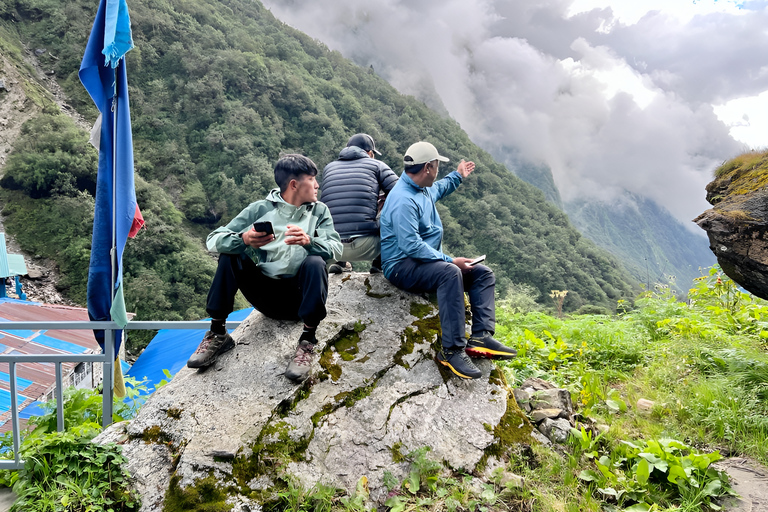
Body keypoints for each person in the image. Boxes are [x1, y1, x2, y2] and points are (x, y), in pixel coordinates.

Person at [187, 154, 342, 382]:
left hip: (300, 299)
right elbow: (213, 239)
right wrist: (245, 238)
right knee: (231, 256)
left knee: (315, 261)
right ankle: (218, 333)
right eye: (312, 179)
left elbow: (337, 248)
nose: (317, 185)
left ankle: (307, 341)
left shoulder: (319, 211)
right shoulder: (260, 209)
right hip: (266, 297)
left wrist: (310, 241)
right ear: (294, 184)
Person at [380, 141, 516, 380]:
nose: (438, 171)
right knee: (450, 272)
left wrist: (458, 175)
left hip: (423, 262)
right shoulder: (404, 200)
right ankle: (451, 351)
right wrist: (450, 260)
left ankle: (481, 337)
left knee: (482, 273)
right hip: (401, 266)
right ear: (429, 168)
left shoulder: (420, 188)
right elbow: (410, 245)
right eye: (437, 166)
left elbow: (439, 188)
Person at [320, 133, 398, 274]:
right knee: (398, 209)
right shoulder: (377, 165)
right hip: (366, 246)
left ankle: (341, 263)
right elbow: (403, 194)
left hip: (331, 247)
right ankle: (380, 264)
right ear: (369, 153)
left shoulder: (329, 168)